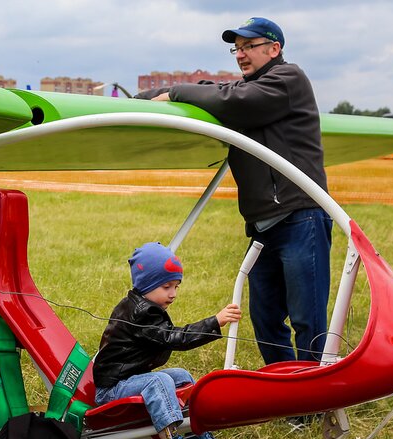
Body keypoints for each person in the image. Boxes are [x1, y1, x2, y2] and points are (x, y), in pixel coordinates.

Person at [137, 17, 333, 385]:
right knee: (265, 317)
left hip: (300, 216)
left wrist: (175, 92)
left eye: (249, 46)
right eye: (236, 49)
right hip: (263, 225)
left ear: (274, 49)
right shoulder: (250, 86)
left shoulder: (287, 79)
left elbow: (236, 101)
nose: (240, 54)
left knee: (307, 318)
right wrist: (149, 98)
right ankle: (286, 389)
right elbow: (217, 92)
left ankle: (314, 395)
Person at [93, 242, 241, 439]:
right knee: (159, 381)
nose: (173, 294)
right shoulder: (141, 313)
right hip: (112, 389)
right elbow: (174, 338)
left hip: (130, 378)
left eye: (176, 286)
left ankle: (194, 434)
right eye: (166, 286)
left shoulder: (145, 305)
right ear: (146, 284)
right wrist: (214, 322)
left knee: (181, 376)